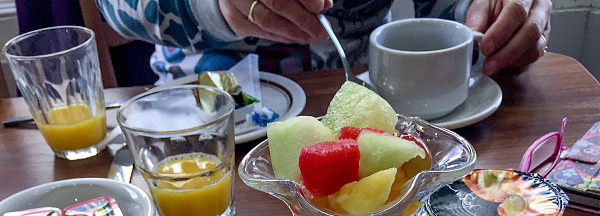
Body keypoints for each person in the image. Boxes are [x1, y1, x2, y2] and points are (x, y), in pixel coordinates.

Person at [96, 0, 551, 83]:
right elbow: (114, 8)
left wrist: (496, 18)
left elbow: (450, 14)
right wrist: (213, 8)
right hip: (208, 125)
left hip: (373, 108)